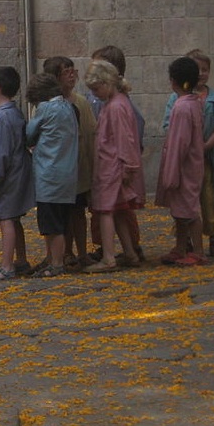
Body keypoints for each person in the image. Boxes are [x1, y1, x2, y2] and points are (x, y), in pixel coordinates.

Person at [162, 49, 214, 257]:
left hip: (192, 162)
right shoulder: (184, 101)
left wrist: (204, 146)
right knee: (183, 206)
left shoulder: (188, 105)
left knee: (200, 204)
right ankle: (183, 245)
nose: (201, 74)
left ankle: (206, 244)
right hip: (192, 160)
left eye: (205, 70)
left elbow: (182, 141)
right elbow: (169, 128)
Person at [82, 60, 145, 273]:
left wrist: (129, 166)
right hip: (112, 166)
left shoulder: (116, 106)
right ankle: (129, 252)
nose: (95, 93)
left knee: (105, 211)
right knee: (118, 211)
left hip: (113, 167)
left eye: (96, 88)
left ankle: (109, 257)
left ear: (107, 82)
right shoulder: (117, 102)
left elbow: (124, 139)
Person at [43, 57, 96, 268]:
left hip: (79, 166)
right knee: (61, 215)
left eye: (73, 70)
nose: (72, 75)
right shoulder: (47, 105)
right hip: (58, 168)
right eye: (66, 72)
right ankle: (64, 252)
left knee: (78, 213)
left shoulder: (81, 102)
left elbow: (90, 133)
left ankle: (82, 252)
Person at [0, 67, 35, 282]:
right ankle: (20, 259)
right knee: (14, 219)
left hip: (8, 174)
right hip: (18, 169)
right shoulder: (14, 112)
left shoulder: (2, 117)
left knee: (6, 219)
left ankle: (7, 266)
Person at [25, 73, 78, 278]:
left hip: (49, 174)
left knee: (51, 224)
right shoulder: (69, 108)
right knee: (62, 222)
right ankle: (55, 259)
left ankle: (56, 263)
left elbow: (30, 133)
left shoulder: (46, 109)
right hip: (68, 174)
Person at [156, 58, 206, 266]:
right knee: (180, 209)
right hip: (187, 163)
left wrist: (172, 170)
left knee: (189, 209)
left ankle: (199, 251)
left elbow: (180, 143)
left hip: (184, 165)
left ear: (174, 81)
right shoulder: (192, 103)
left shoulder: (183, 108)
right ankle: (180, 246)